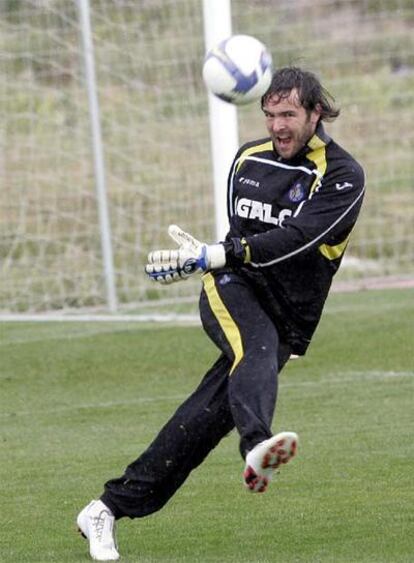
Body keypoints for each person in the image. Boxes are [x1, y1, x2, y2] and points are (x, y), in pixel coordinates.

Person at [77, 66, 365, 561]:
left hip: (287, 316)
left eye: (289, 114)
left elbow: (298, 241)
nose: (277, 126)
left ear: (316, 113)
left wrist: (217, 252)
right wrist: (214, 260)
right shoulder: (248, 159)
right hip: (232, 290)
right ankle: (258, 444)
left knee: (201, 422)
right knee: (253, 347)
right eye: (270, 114)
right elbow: (238, 245)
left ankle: (105, 508)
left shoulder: (343, 176)